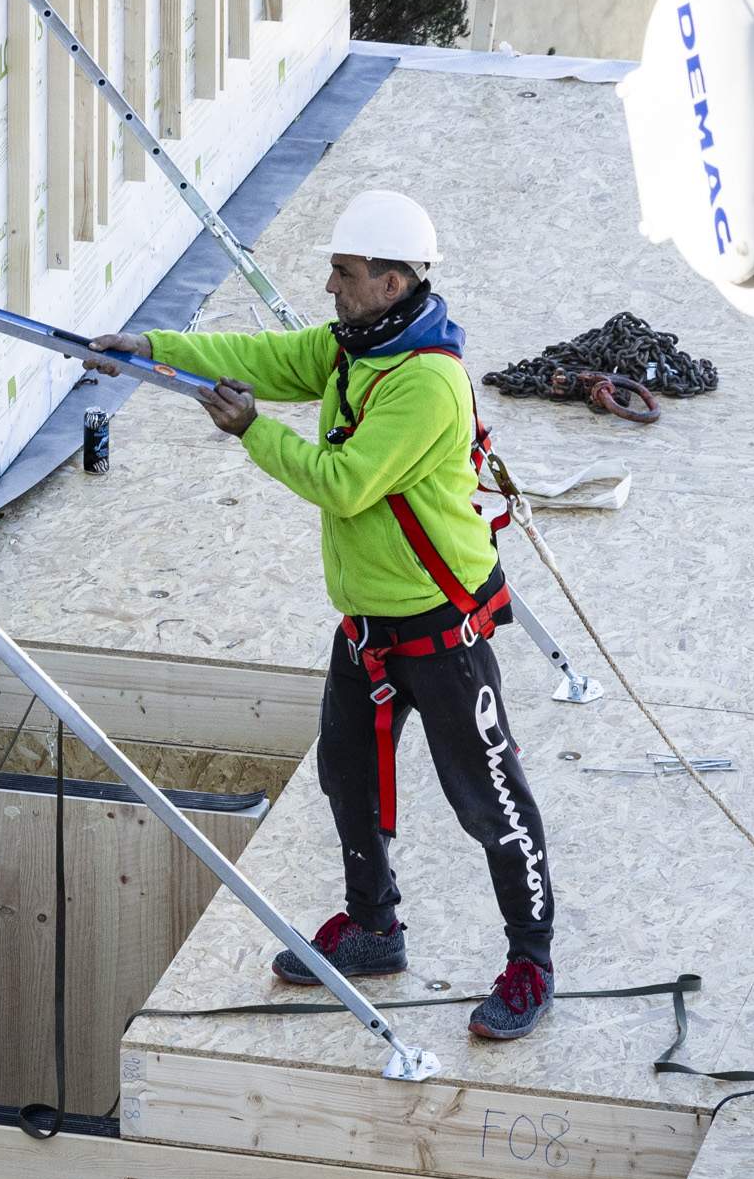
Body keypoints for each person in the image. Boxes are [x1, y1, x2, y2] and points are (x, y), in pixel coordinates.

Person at [88, 188, 556, 1041]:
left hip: (439, 635)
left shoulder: (427, 385)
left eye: (343, 272)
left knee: (489, 801)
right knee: (348, 778)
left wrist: (251, 432)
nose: (331, 286)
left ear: (390, 281)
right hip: (370, 630)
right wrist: (150, 349)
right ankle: (374, 927)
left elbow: (343, 485)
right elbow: (259, 356)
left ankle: (531, 961)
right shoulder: (354, 348)